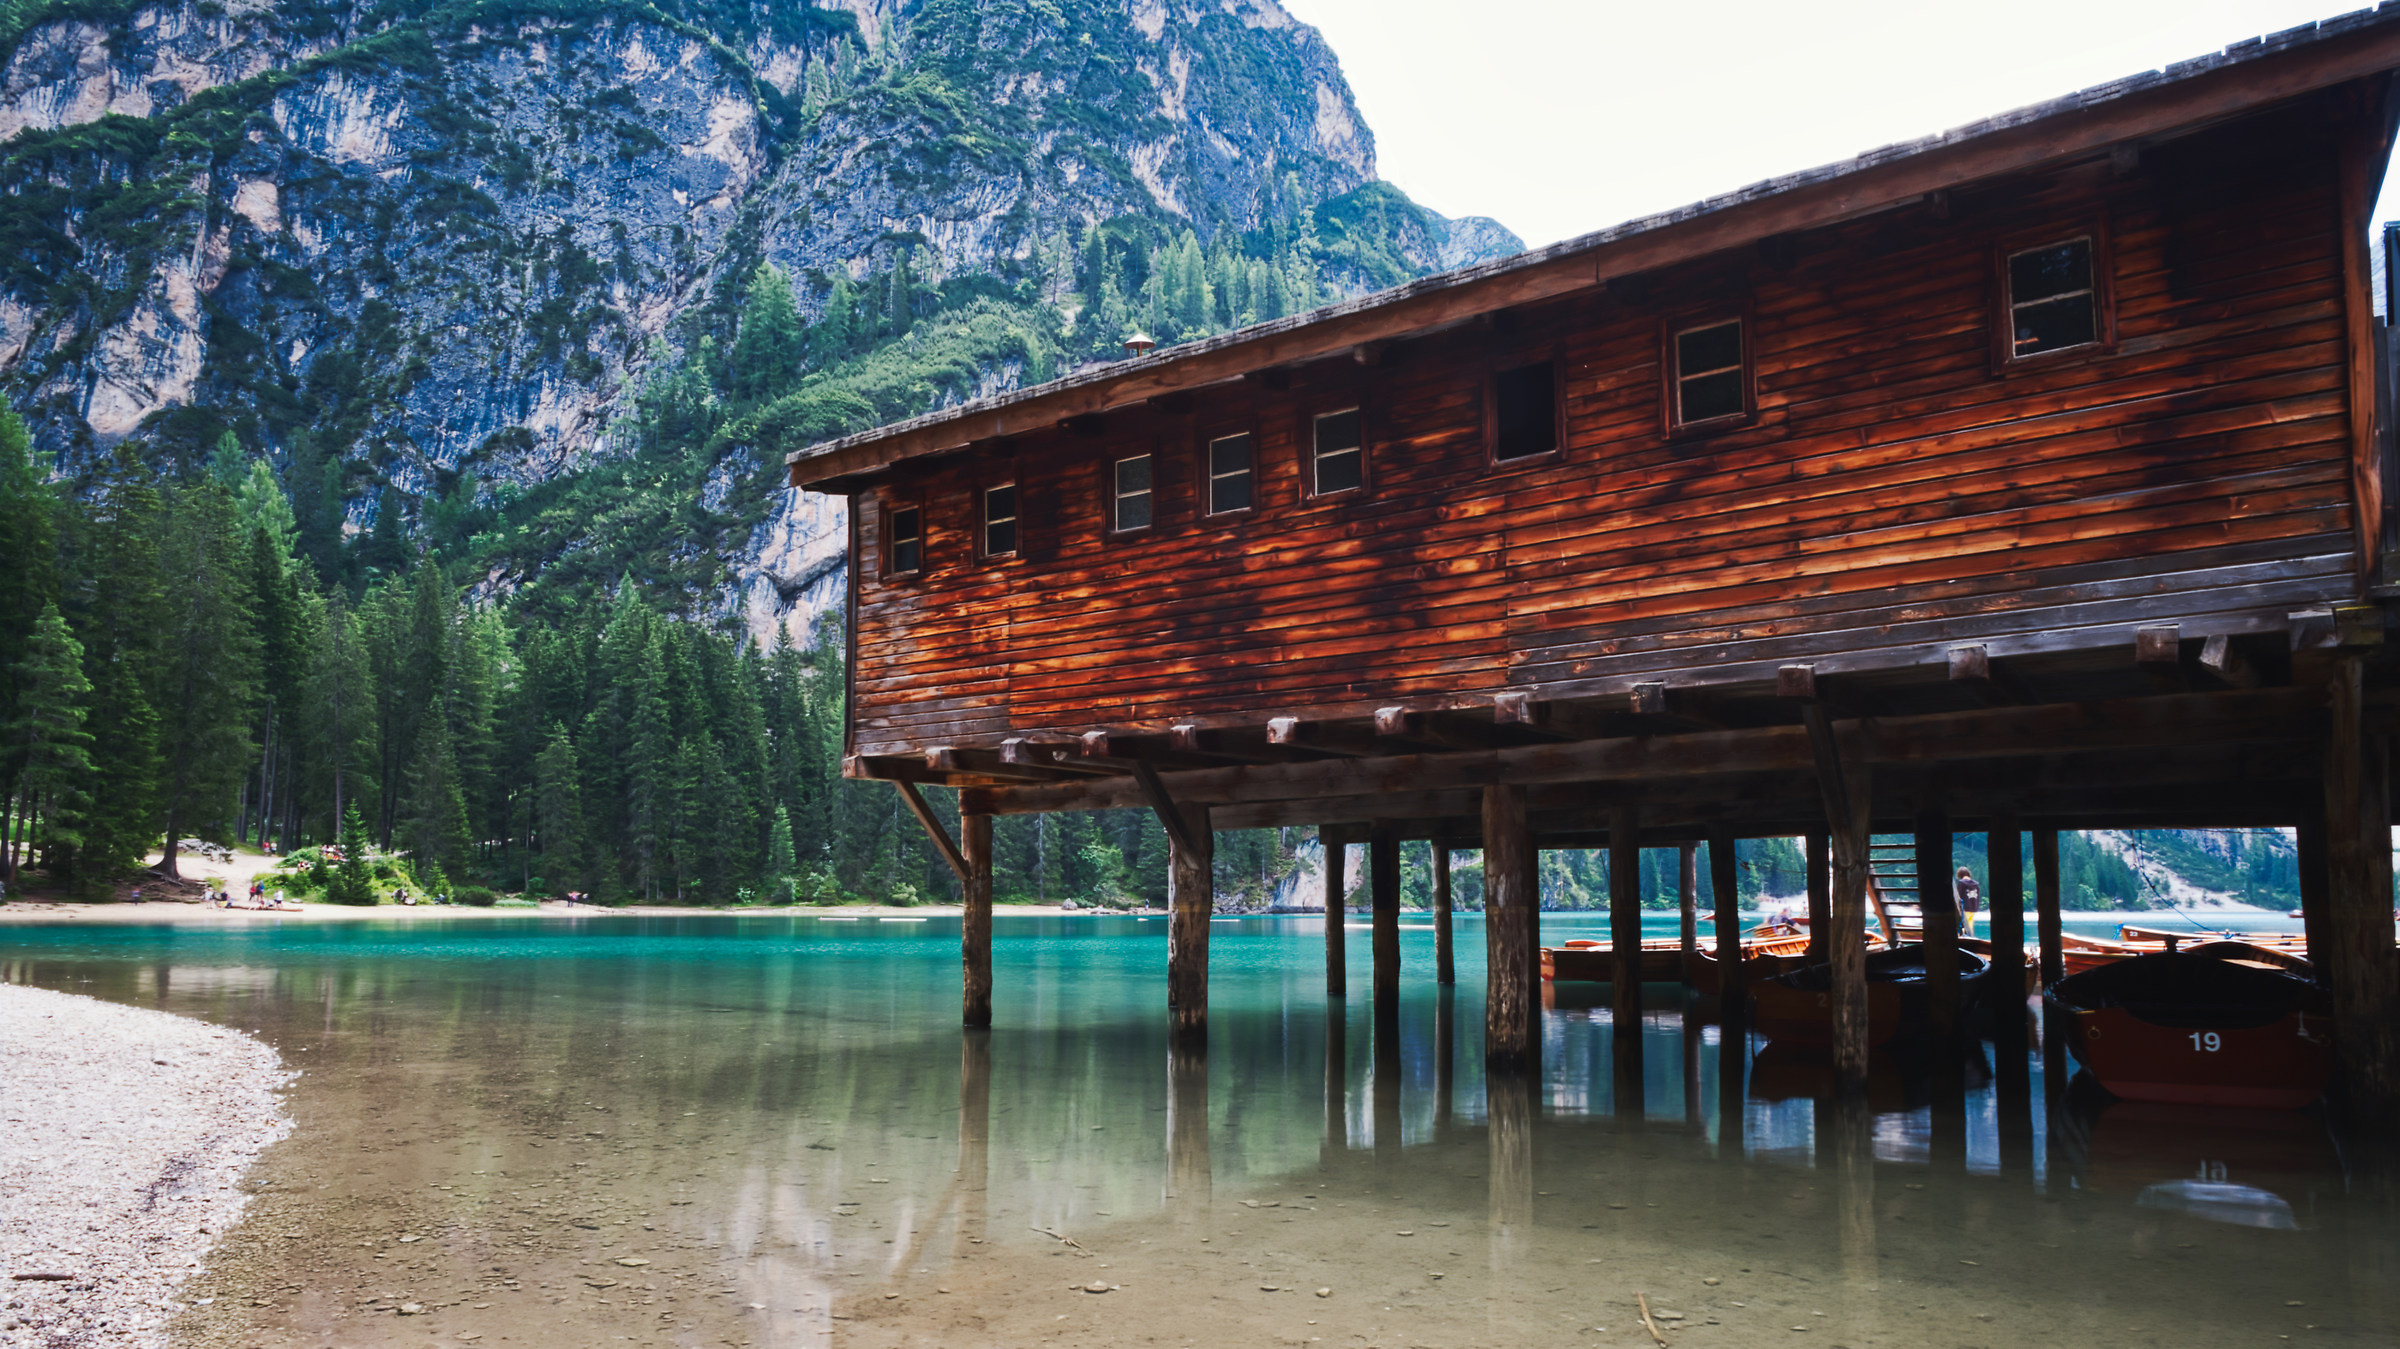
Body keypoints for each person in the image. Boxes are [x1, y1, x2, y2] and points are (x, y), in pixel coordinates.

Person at [1953, 866, 1981, 937]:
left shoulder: (1961, 883)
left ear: (1959, 875)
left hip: (1965, 908)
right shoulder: (1976, 884)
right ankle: (1970, 937)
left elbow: (1958, 896)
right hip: (1973, 908)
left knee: (1965, 925)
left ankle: (1968, 938)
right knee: (1970, 924)